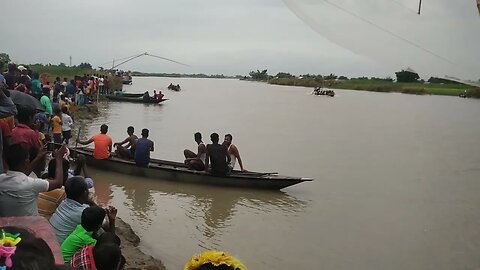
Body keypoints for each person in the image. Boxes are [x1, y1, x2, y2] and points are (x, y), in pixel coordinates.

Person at [0, 144, 66, 216]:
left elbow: (20, 175)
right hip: (30, 226)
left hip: (8, 225)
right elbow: (58, 183)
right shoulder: (31, 184)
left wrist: (38, 157)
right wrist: (59, 159)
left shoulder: (2, 179)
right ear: (26, 161)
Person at [49, 176, 94, 244]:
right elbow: (103, 221)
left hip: (47, 241)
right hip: (58, 249)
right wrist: (91, 202)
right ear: (85, 193)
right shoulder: (83, 212)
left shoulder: (63, 203)